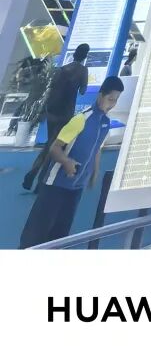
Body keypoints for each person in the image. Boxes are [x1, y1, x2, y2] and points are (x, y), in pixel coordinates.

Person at [19, 76, 124, 248]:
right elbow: (54, 148)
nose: (112, 103)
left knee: (60, 233)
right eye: (110, 99)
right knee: (37, 232)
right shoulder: (81, 120)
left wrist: (94, 173)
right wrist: (67, 162)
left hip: (76, 188)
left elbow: (97, 148)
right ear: (101, 95)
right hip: (56, 184)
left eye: (116, 100)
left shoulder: (105, 123)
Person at [22, 43, 90, 193]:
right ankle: (40, 182)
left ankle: (33, 173)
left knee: (49, 144)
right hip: (66, 113)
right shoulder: (83, 70)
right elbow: (83, 91)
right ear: (85, 55)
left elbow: (51, 89)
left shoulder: (62, 69)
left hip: (53, 111)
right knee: (54, 147)